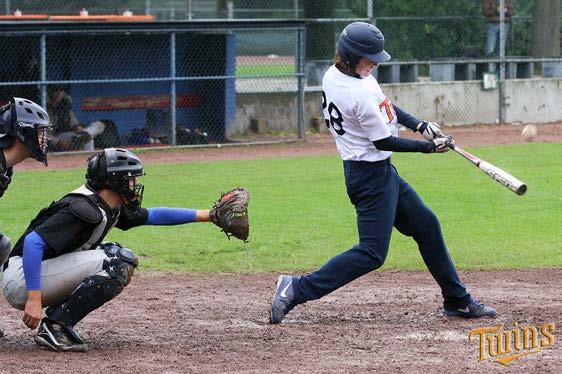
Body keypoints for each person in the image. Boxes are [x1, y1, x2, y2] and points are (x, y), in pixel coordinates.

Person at [270, 22, 496, 324]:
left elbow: (386, 106)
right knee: (372, 253)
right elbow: (383, 141)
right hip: (369, 177)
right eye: (370, 57)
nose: (376, 63)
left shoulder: (338, 74)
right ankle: (297, 289)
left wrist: (420, 125)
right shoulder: (356, 92)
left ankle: (457, 300)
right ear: (351, 56)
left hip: (379, 172)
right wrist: (429, 148)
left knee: (426, 225)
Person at [1, 148, 249, 352]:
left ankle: (56, 323)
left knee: (114, 255)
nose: (135, 184)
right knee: (116, 260)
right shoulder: (83, 207)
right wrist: (34, 298)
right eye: (131, 179)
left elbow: (154, 215)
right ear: (115, 181)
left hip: (37, 272)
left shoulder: (109, 206)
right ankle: (55, 326)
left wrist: (209, 215)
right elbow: (33, 242)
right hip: (22, 278)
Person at [0, 97, 53, 338]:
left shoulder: (5, 167)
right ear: (23, 132)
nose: (44, 139)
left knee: (2, 244)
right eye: (40, 132)